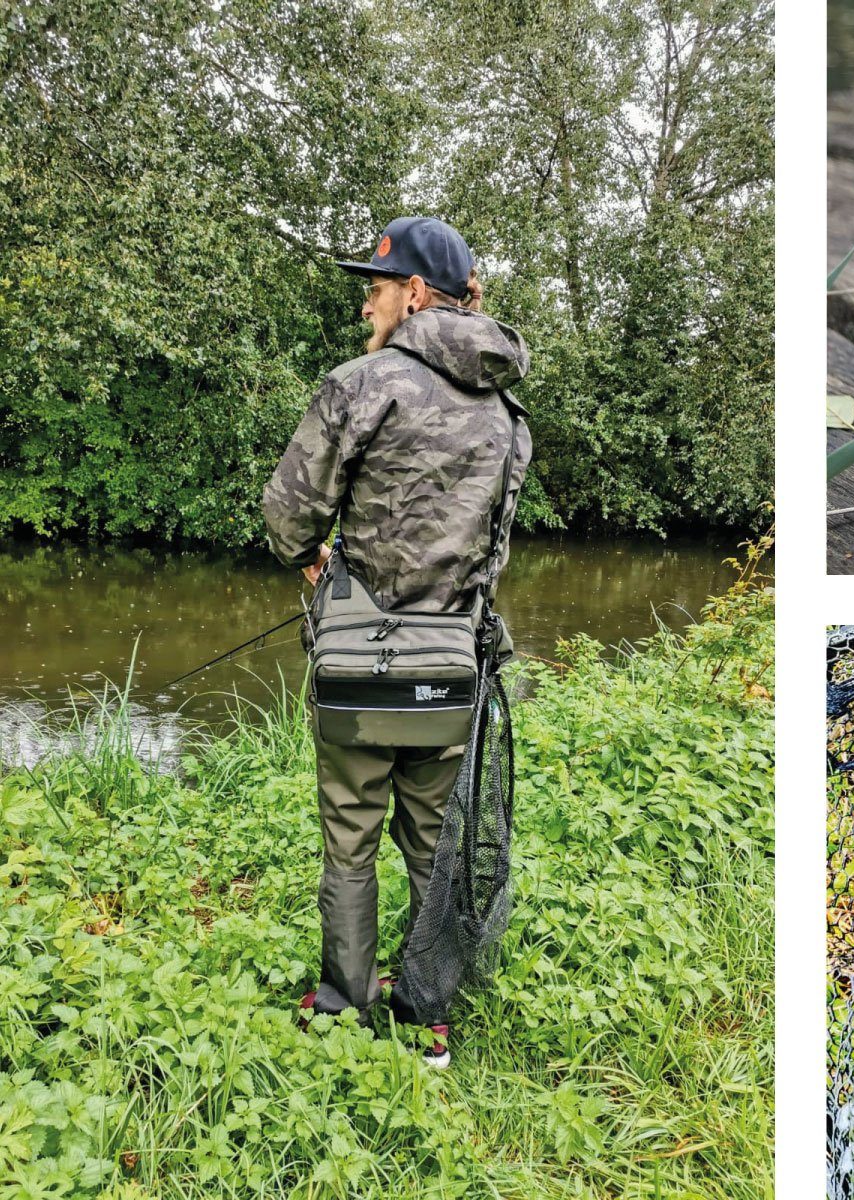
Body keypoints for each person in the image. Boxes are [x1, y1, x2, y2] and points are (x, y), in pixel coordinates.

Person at [261, 215, 533, 1067]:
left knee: (350, 834)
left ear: (414, 293)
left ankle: (343, 998)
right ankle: (430, 1020)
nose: (366, 309)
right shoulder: (508, 415)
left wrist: (312, 559)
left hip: (358, 670)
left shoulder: (359, 384)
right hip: (451, 673)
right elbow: (494, 551)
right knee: (432, 839)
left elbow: (287, 513)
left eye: (375, 290)